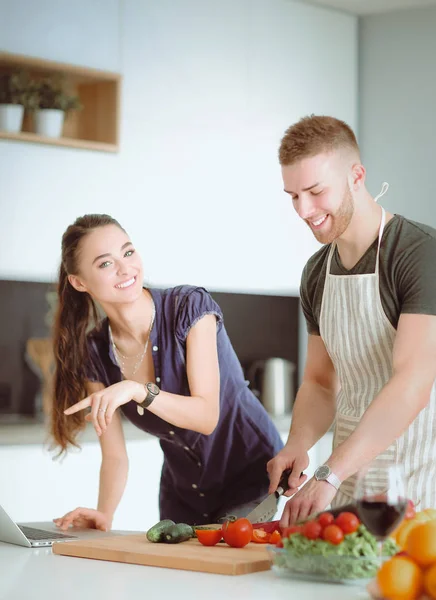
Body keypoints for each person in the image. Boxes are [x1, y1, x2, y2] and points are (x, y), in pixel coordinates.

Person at [50, 214, 283, 531]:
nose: (125, 268)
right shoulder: (95, 352)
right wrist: (105, 513)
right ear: (79, 282)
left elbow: (206, 416)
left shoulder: (189, 307)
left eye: (128, 252)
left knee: (225, 562)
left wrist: (137, 390)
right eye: (105, 264)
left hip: (250, 475)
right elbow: (115, 455)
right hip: (183, 492)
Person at [267, 115, 436, 527]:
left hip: (422, 483)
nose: (304, 210)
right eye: (293, 196)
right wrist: (299, 444)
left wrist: (329, 471)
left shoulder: (419, 254)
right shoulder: (316, 273)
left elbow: (413, 382)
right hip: (348, 490)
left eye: (316, 191)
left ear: (356, 176)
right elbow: (322, 382)